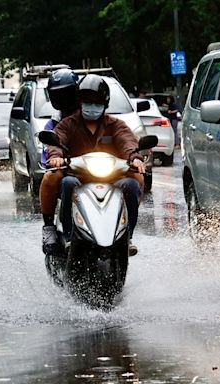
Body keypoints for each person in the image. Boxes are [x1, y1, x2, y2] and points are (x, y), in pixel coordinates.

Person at [39, 74, 145, 257]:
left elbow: (127, 141)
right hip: (77, 177)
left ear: (105, 103)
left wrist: (135, 157)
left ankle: (127, 237)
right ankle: (67, 235)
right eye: (87, 101)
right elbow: (56, 142)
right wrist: (56, 157)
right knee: (65, 183)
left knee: (133, 182)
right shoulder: (67, 124)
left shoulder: (116, 125)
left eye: (97, 102)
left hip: (112, 178)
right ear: (80, 102)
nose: (92, 106)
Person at [40, 68, 80, 169]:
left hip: (98, 168)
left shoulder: (92, 119)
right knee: (50, 178)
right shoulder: (53, 124)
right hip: (67, 170)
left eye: (67, 94)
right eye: (58, 95)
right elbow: (49, 150)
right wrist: (55, 158)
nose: (63, 99)